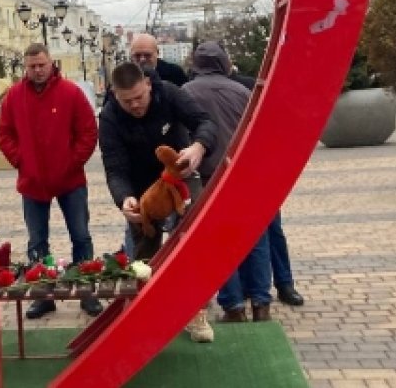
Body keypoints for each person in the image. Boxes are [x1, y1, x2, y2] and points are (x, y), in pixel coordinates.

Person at [99, 60, 219, 341]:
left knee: (192, 239)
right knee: (143, 252)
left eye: (140, 97)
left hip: (181, 172)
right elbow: (115, 168)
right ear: (115, 95)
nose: (136, 105)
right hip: (142, 190)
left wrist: (199, 146)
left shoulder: (170, 93)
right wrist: (124, 199)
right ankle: (144, 313)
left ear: (149, 85)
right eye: (127, 101)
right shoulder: (108, 118)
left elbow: (205, 121)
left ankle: (196, 313)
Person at [0, 43, 100, 319]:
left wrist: (72, 161)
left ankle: (87, 292)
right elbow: (4, 134)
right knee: (37, 241)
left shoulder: (71, 93)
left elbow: (88, 131)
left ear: (51, 63)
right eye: (32, 66)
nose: (37, 70)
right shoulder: (14, 96)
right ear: (25, 67)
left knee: (81, 236)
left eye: (41, 64)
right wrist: (21, 160)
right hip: (32, 182)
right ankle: (44, 295)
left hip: (70, 180)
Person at [182, 41, 272, 323]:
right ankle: (261, 303)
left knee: (216, 241)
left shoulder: (187, 92)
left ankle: (233, 305)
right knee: (255, 239)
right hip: (244, 176)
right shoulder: (243, 92)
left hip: (208, 176)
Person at [226, 60, 307, 308]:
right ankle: (263, 287)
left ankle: (283, 284)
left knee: (270, 229)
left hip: (260, 170)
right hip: (239, 172)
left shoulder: (249, 87)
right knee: (256, 232)